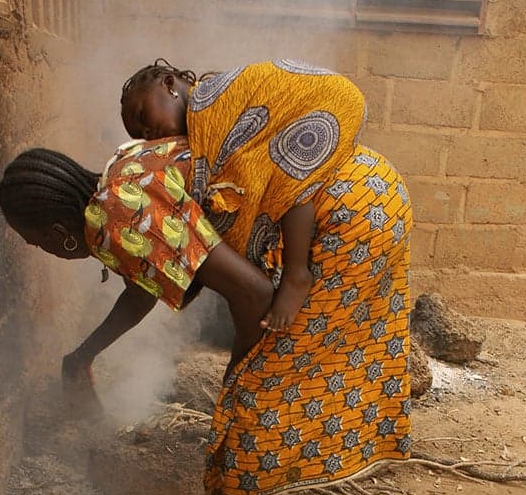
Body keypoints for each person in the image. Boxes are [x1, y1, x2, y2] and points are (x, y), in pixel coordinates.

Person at [0, 131, 412, 495]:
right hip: (357, 188)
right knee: (252, 400)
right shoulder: (118, 186)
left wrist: (244, 378)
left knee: (257, 403)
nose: (43, 252)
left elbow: (255, 293)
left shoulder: (118, 219)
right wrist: (85, 353)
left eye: (35, 244)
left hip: (349, 214)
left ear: (57, 233)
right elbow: (144, 284)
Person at [120, 59, 367, 334]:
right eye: (141, 136)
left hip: (331, 102)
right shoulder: (202, 129)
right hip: (316, 104)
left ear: (169, 85)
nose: (149, 133)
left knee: (283, 174)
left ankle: (297, 273)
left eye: (143, 116)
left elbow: (235, 173)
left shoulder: (211, 102)